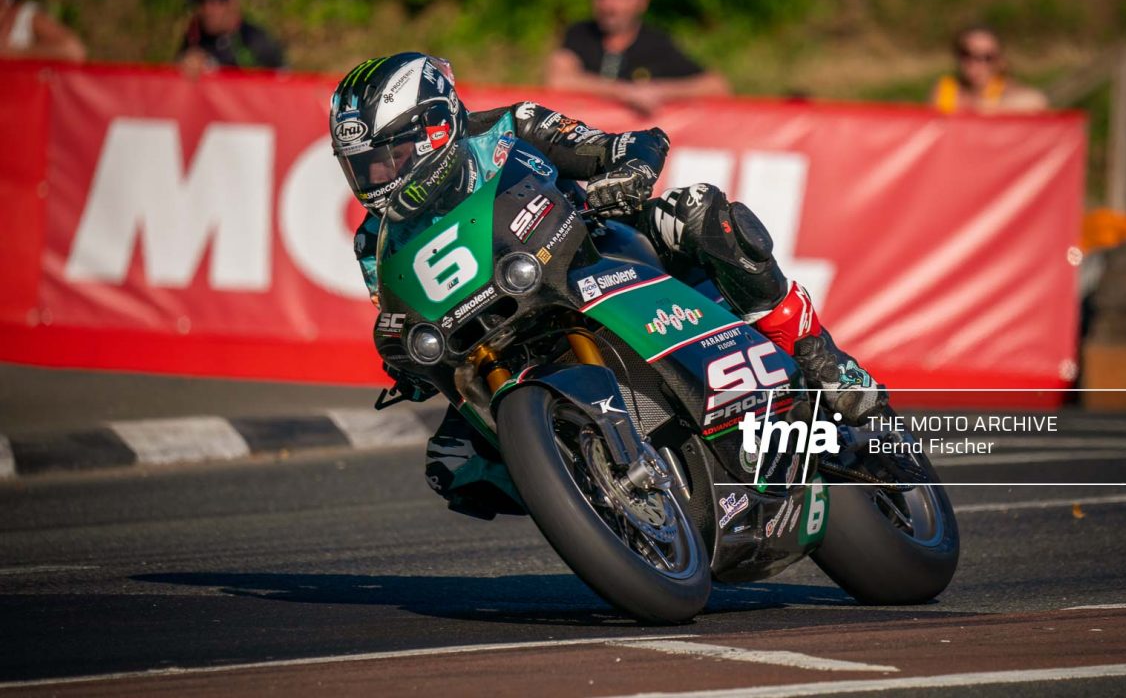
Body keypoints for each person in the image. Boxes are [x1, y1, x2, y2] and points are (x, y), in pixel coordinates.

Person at [330, 53, 883, 517]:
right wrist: (407, 360)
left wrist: (628, 172)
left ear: (436, 129)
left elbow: (628, 143)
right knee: (451, 467)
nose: (379, 178)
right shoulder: (374, 242)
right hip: (494, 328)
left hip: (593, 245)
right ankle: (587, 491)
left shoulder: (509, 126)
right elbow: (402, 311)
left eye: (391, 157)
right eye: (365, 167)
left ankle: (817, 354)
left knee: (699, 210)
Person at [545, 0, 730, 114]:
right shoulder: (580, 33)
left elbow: (716, 86)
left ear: (641, 1)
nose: (610, 6)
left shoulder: (656, 43)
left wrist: (660, 91)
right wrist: (626, 92)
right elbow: (558, 80)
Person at [176, 0, 285, 77]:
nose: (210, 8)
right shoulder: (194, 39)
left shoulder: (257, 42)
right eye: (202, 0)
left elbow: (280, 89)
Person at [930, 25, 1047, 114]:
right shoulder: (945, 90)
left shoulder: (1008, 92)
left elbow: (1037, 101)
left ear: (1000, 61)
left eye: (986, 57)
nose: (975, 63)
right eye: (966, 54)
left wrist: (986, 109)